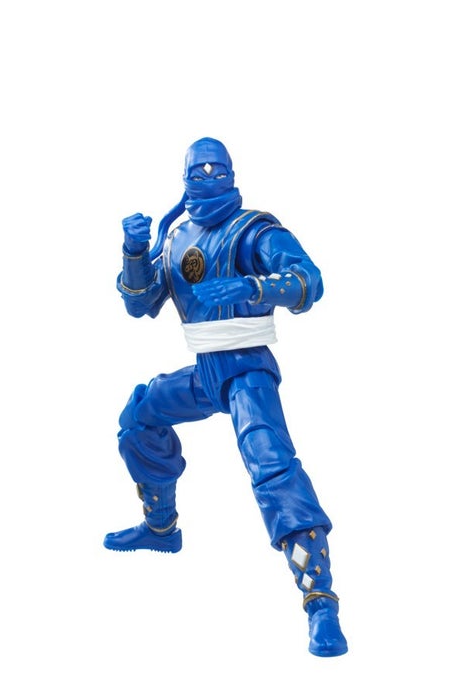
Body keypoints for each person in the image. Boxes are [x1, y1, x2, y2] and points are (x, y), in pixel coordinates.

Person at [103, 137, 348, 657]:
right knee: (139, 418)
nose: (209, 177)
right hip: (204, 371)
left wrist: (253, 288)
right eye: (199, 170)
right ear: (185, 176)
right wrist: (134, 252)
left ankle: (320, 601)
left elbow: (309, 281)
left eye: (218, 169)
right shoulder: (177, 236)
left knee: (272, 466)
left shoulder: (253, 230)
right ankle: (161, 527)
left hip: (246, 370)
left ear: (232, 174)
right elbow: (141, 303)